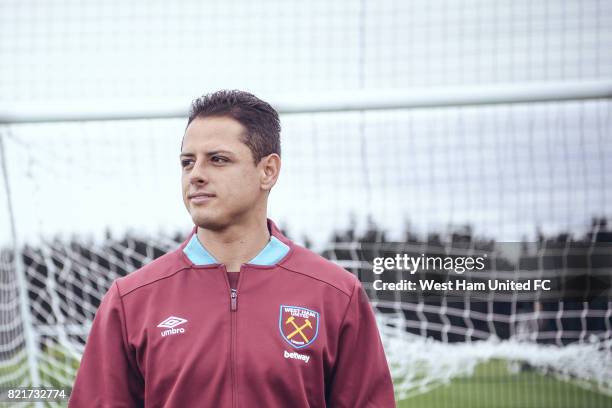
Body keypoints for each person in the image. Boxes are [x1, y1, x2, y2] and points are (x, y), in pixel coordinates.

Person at [69, 90, 396, 407]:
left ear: (268, 171)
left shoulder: (335, 294)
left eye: (218, 160)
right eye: (187, 162)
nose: (196, 175)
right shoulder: (131, 300)